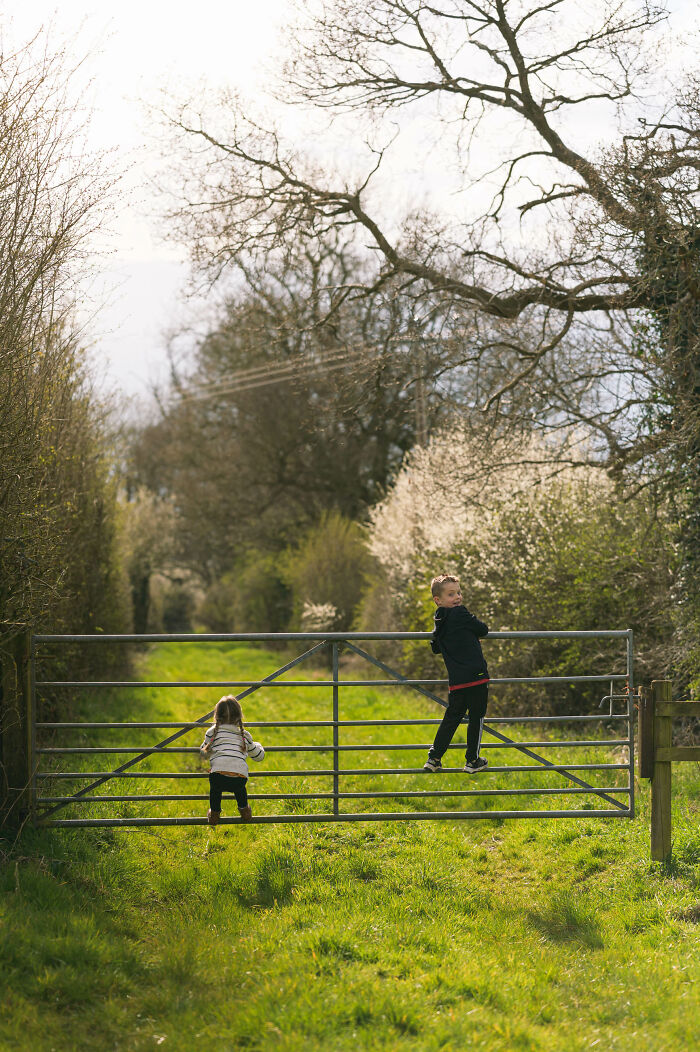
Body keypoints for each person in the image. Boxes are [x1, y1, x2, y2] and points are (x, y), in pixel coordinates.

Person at [423, 574, 490, 774]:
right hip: (476, 675)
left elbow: (435, 647)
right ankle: (472, 760)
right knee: (477, 717)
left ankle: (434, 758)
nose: (458, 597)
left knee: (452, 718)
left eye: (459, 593)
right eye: (451, 594)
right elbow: (483, 629)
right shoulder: (460, 614)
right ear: (438, 599)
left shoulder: (439, 619)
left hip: (457, 680)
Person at [200, 694, 265, 825]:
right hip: (239, 777)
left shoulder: (212, 732)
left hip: (218, 775)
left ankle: (214, 813)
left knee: (215, 790)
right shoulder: (244, 735)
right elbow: (258, 756)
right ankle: (244, 809)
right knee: (240, 789)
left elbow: (204, 752)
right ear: (239, 716)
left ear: (216, 716)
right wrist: (258, 746)